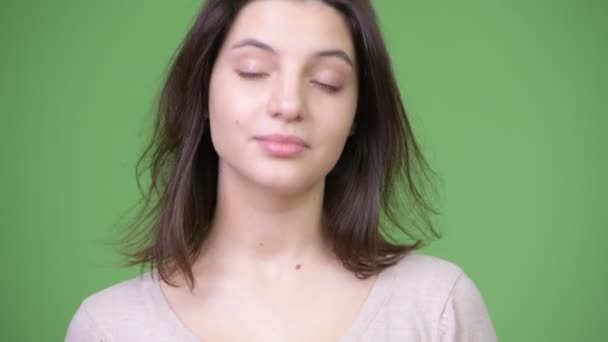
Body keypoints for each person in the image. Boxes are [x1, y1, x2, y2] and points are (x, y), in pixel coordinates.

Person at [65, 0, 498, 341]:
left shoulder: (436, 306)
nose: (289, 104)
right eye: (254, 71)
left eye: (327, 81)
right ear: (204, 92)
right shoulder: (109, 327)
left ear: (356, 117)